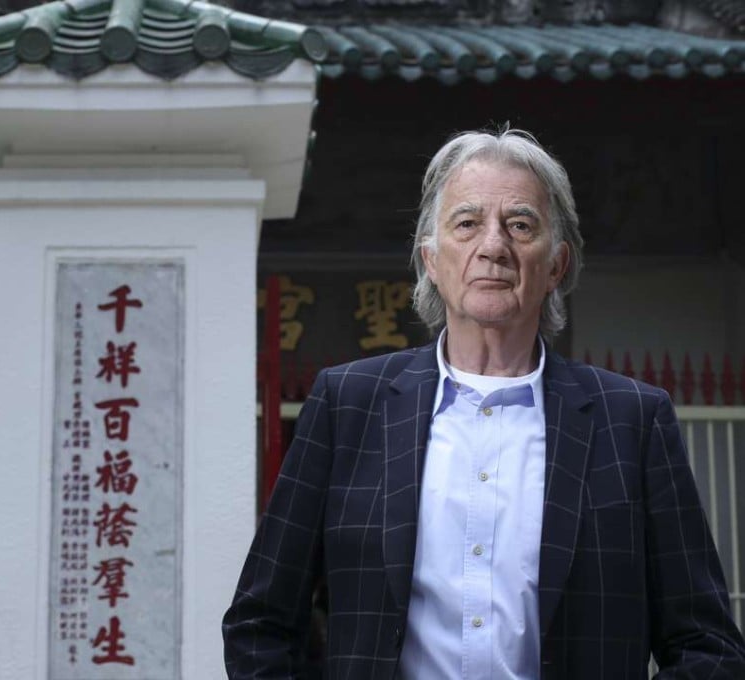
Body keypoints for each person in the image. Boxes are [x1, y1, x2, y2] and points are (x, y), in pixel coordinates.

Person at [222, 129, 745, 679]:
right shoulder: (349, 406)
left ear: (557, 264)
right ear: (431, 258)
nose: (493, 246)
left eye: (520, 225)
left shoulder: (631, 420)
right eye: (467, 223)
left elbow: (708, 646)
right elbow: (261, 624)